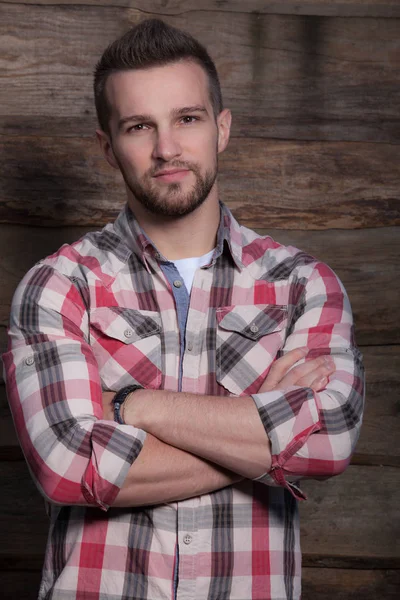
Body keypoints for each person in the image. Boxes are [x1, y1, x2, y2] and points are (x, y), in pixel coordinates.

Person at [3, 18, 364, 600]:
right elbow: (70, 468)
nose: (166, 148)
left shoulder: (303, 283)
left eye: (187, 119)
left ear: (222, 128)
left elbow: (330, 440)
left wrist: (131, 406)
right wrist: (266, 441)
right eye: (139, 126)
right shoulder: (59, 286)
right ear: (107, 147)